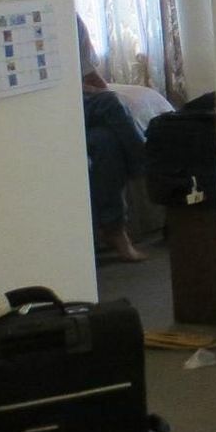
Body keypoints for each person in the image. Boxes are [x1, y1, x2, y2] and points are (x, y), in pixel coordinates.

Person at [79, 16, 149, 263]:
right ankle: (146, 165)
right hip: (53, 105)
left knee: (106, 141)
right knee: (110, 102)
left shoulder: (72, 20)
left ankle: (115, 231)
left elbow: (90, 74)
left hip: (81, 106)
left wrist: (102, 91)